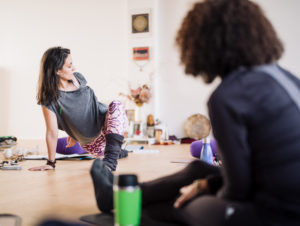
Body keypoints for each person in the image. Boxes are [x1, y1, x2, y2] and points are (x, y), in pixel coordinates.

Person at [90, 0, 300, 225]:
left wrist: (203, 192)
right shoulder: (286, 78)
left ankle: (130, 203)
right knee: (199, 168)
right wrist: (204, 184)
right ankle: (113, 195)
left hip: (278, 215)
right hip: (282, 193)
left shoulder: (228, 96)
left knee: (172, 206)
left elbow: (238, 189)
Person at [29, 47, 128, 171]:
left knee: (117, 104)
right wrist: (50, 163)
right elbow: (51, 132)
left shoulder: (78, 79)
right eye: (69, 66)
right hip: (93, 143)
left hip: (109, 125)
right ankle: (116, 152)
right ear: (57, 70)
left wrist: (74, 134)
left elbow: (85, 107)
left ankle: (110, 163)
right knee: (108, 150)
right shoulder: (51, 99)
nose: (74, 68)